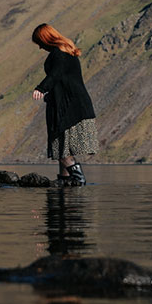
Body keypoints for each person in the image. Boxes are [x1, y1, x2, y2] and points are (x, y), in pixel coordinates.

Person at [29, 23, 97, 185]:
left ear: (46, 39)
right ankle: (66, 179)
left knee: (59, 144)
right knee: (63, 146)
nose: (39, 47)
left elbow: (56, 74)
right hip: (74, 104)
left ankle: (78, 178)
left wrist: (41, 88)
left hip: (67, 106)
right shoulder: (66, 51)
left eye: (39, 42)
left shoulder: (59, 53)